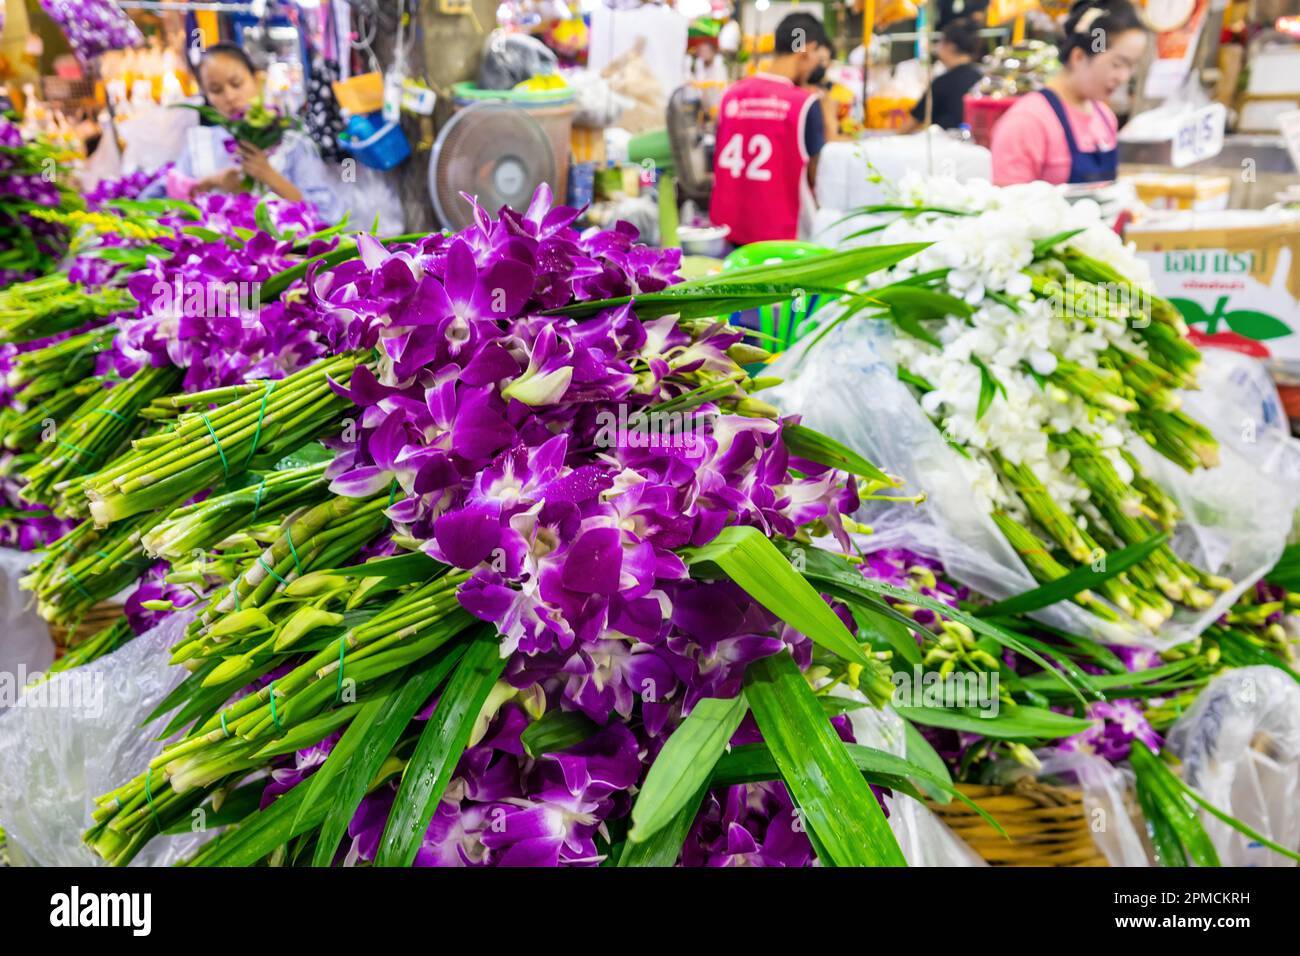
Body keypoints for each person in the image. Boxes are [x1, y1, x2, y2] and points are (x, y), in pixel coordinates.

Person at [141, 43, 345, 223]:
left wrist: (270, 176)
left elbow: (329, 215)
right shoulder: (199, 146)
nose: (229, 96)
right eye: (216, 90)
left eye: (236, 83)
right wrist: (209, 183)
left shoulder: (292, 144)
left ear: (257, 80)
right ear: (207, 96)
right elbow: (150, 206)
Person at [990, 0, 1148, 186]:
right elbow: (1009, 207)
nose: (1123, 77)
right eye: (1117, 64)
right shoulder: (1028, 121)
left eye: (1131, 67)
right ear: (1079, 57)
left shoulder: (1104, 116)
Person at [710, 13, 829, 245]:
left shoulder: (730, 94)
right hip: (781, 243)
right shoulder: (804, 104)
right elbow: (818, 177)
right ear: (807, 49)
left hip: (727, 234)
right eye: (818, 55)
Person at [900, 18, 984, 132]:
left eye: (940, 41)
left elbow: (911, 124)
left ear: (950, 46)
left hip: (945, 145)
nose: (937, 46)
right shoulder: (981, 78)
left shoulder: (942, 83)